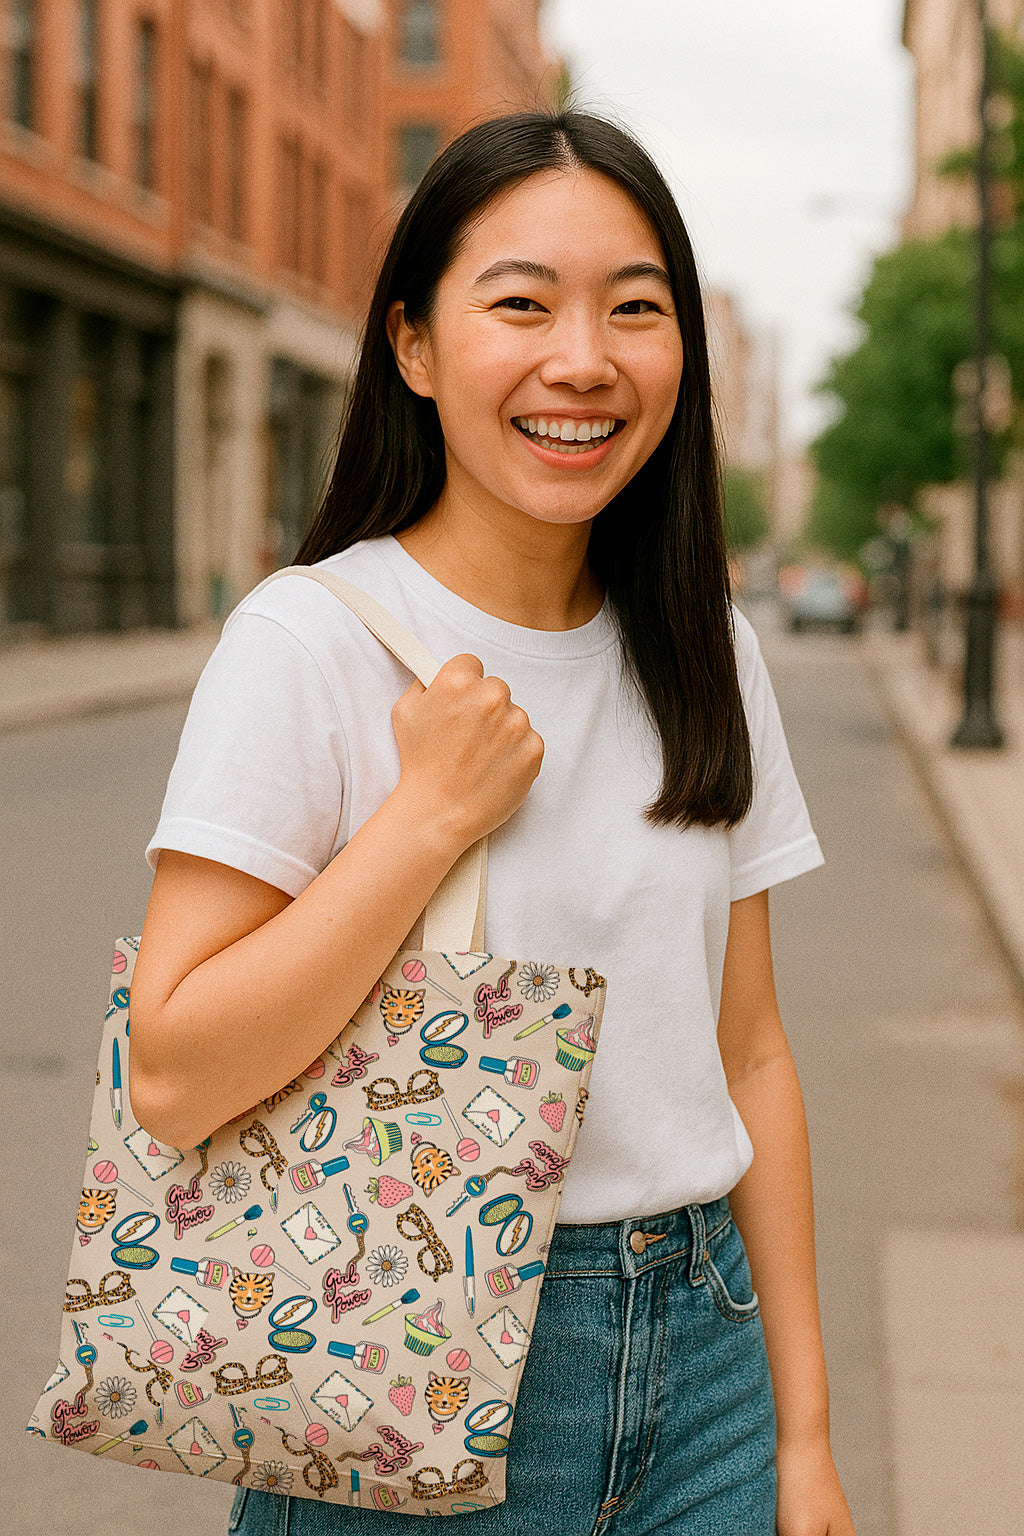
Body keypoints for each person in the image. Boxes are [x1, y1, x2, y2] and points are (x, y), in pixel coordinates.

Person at [130, 111, 855, 1536]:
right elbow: (174, 1070)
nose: (581, 360)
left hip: (704, 1363)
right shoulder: (311, 641)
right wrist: (424, 821)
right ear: (413, 346)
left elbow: (750, 1049)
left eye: (634, 311)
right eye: (520, 303)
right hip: (409, 1338)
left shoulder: (704, 642)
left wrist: (805, 1434)